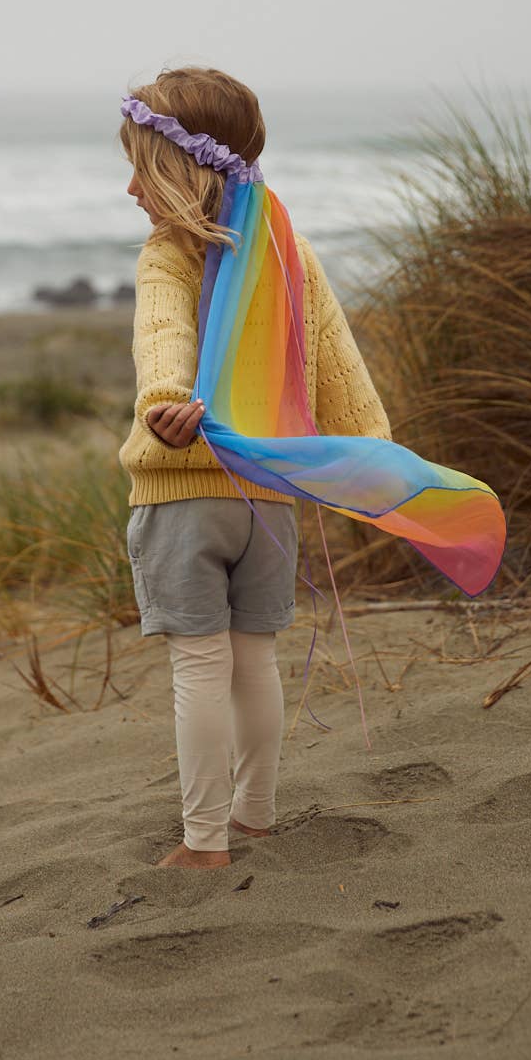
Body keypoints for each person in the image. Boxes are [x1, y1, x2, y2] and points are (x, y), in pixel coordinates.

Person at [118, 67, 392, 870]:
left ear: (180, 169)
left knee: (199, 667)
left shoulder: (169, 251)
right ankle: (257, 814)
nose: (131, 186)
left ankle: (205, 842)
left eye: (141, 165)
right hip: (268, 496)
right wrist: (370, 445)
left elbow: (161, 335)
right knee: (254, 660)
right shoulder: (289, 247)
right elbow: (338, 368)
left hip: (185, 493)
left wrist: (167, 403)